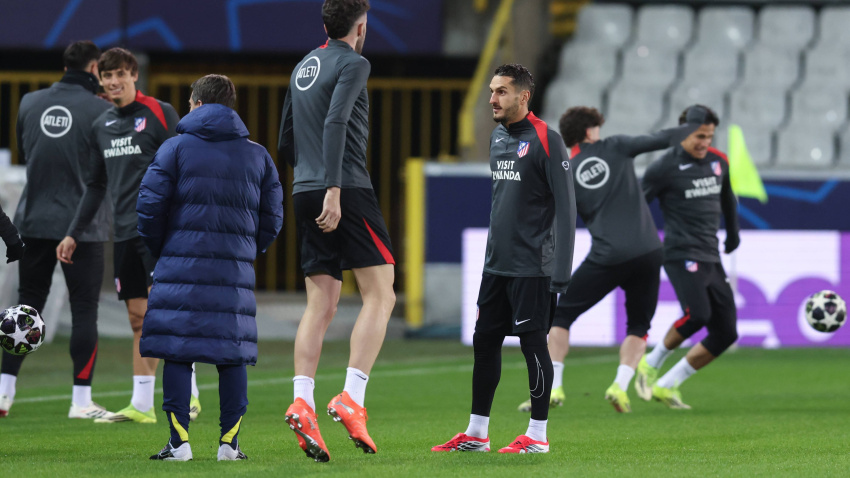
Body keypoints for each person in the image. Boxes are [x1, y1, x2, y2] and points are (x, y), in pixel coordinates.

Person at [138, 74, 283, 461]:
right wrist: (246, 250)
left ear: (197, 104)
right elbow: (273, 216)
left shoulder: (174, 148)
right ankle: (229, 445)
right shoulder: (257, 154)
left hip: (178, 264)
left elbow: (149, 207)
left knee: (177, 350)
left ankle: (179, 444)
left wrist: (162, 250)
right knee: (231, 353)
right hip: (233, 272)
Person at [432, 64, 576, 454]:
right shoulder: (497, 137)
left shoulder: (548, 139)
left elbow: (567, 208)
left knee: (534, 346)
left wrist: (560, 271)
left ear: (523, 96)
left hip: (533, 266)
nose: (492, 99)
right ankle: (477, 433)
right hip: (496, 264)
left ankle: (538, 437)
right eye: (491, 91)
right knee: (485, 342)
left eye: (501, 92)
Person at [516, 107, 696, 414]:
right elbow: (663, 138)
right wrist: (694, 124)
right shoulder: (616, 146)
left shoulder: (566, 171)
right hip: (649, 252)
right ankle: (619, 386)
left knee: (561, 317)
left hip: (607, 256)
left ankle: (554, 386)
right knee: (638, 325)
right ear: (590, 132)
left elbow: (551, 222)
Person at [56, 47, 201, 424]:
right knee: (139, 318)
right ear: (99, 80)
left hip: (160, 232)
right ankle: (141, 406)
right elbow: (95, 185)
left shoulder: (159, 113)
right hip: (122, 232)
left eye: (120, 73)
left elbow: (184, 164)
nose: (113, 81)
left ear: (134, 75)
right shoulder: (100, 125)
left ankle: (190, 391)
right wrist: (73, 233)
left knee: (163, 313)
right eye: (106, 76)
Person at [278, 0, 396, 462]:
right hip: (342, 186)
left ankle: (302, 401)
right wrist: (333, 187)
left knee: (321, 302)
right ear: (361, 26)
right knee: (381, 292)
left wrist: (309, 182)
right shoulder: (355, 61)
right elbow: (336, 120)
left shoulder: (304, 64)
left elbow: (287, 136)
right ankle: (351, 397)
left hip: (303, 187)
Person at [1, 40, 110, 420]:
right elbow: (104, 172)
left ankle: (3, 393)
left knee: (26, 307)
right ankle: (81, 401)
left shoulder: (29, 102)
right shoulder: (101, 110)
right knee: (84, 311)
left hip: (33, 218)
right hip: (82, 226)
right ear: (95, 68)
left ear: (65, 66)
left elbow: (27, 152)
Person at [638, 105, 740, 409]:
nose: (704, 143)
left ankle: (668, 385)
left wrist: (733, 234)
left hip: (710, 254)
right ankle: (650, 363)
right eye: (699, 136)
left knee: (726, 333)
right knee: (698, 314)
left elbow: (728, 199)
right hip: (680, 252)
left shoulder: (719, 162)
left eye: (709, 136)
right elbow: (637, 206)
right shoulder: (663, 167)